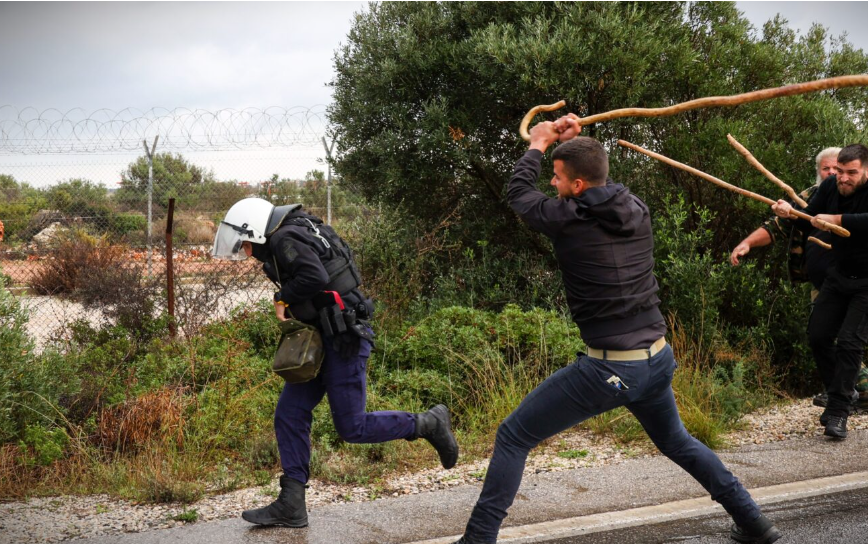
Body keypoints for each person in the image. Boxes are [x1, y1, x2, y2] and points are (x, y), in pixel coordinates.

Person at [451, 117, 780, 544]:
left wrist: (538, 143)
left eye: (558, 178)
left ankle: (477, 540)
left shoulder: (568, 220)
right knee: (678, 441)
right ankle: (754, 522)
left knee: (514, 435)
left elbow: (518, 193)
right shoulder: (635, 208)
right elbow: (599, 178)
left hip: (612, 369)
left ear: (579, 186)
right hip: (657, 358)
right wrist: (573, 145)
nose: (552, 184)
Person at [212, 198, 458, 527]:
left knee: (352, 427)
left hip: (343, 338)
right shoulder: (298, 229)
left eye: (244, 242)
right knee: (290, 412)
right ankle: (292, 504)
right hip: (323, 335)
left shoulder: (285, 238)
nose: (244, 250)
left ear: (254, 230)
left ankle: (427, 423)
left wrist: (282, 297)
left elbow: (313, 276)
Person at [730, 148, 868, 414]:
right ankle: (843, 391)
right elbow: (777, 226)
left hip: (855, 281)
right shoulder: (811, 197)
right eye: (827, 169)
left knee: (844, 338)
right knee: (823, 335)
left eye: (839, 169)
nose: (833, 174)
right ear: (818, 171)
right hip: (822, 283)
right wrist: (747, 244)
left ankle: (863, 395)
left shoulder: (861, 196)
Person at [771, 144, 868, 439]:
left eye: (851, 173)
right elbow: (812, 215)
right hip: (840, 278)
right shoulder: (830, 186)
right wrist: (789, 213)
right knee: (818, 335)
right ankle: (843, 393)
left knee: (851, 343)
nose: (843, 178)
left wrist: (837, 220)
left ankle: (839, 412)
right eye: (840, 171)